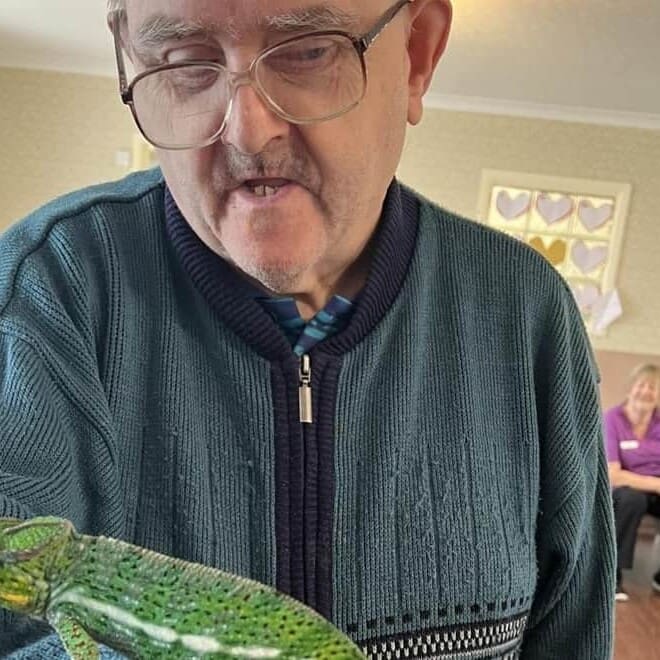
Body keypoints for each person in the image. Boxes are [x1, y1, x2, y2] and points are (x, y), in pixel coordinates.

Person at [0, 0, 615, 657]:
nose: (246, 132)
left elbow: (574, 633)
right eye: (184, 64)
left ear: (417, 57)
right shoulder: (46, 294)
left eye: (308, 51)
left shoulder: (524, 312)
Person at [604, 363, 660, 602]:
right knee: (631, 500)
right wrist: (655, 484)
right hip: (624, 489)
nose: (646, 391)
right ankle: (612, 577)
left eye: (653, 387)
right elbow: (613, 474)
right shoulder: (612, 419)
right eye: (641, 385)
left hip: (655, 488)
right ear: (630, 389)